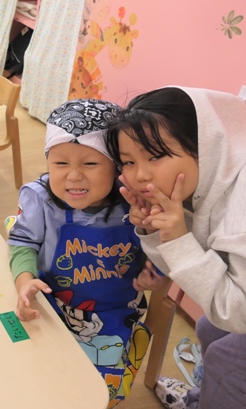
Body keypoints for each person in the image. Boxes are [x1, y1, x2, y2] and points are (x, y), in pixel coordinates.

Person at [6, 99, 166, 407]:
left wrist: (155, 273)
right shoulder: (41, 200)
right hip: (51, 303)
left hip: (114, 312)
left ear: (117, 167)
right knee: (36, 371)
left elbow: (160, 254)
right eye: (60, 164)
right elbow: (23, 242)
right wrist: (24, 281)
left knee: (94, 390)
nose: (74, 176)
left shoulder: (136, 204)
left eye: (90, 164)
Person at [104, 87, 246, 409]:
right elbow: (185, 272)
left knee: (227, 362)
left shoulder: (240, 205)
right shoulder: (209, 181)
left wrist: (179, 239)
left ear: (205, 147)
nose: (139, 175)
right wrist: (156, 231)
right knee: (209, 326)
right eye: (128, 162)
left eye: (155, 156)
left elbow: (237, 312)